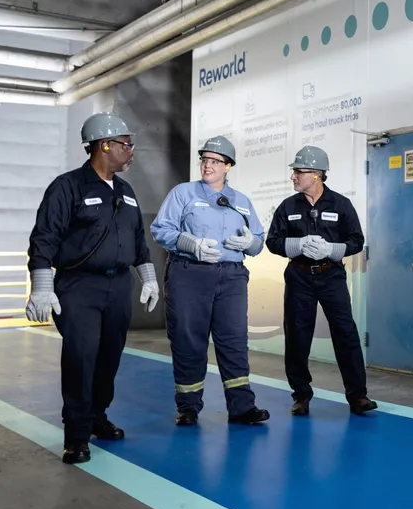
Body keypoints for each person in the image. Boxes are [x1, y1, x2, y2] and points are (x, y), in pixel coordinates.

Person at [25, 112, 160, 465]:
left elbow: (138, 242)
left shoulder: (127, 192)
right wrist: (41, 286)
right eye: (126, 145)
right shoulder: (67, 187)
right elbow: (44, 238)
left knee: (109, 357)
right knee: (80, 358)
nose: (131, 151)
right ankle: (77, 435)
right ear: (104, 146)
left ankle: (97, 415)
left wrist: (148, 278)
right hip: (78, 286)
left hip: (118, 288)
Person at [150, 136, 271, 427]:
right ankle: (189, 406)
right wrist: (189, 242)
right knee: (189, 339)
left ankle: (242, 407)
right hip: (189, 274)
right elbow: (160, 229)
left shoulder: (241, 201)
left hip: (231, 278)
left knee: (234, 340)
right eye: (205, 159)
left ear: (228, 166)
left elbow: (258, 243)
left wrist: (249, 242)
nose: (208, 165)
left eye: (216, 161)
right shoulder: (183, 193)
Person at [266, 145, 376, 416]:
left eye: (298, 172)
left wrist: (331, 250)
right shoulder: (287, 206)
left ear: (316, 175)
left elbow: (356, 241)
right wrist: (298, 245)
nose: (293, 176)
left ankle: (357, 396)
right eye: (294, 172)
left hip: (332, 275)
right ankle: (301, 395)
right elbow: (273, 242)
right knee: (297, 336)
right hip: (299, 276)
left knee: (346, 334)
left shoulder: (341, 204)